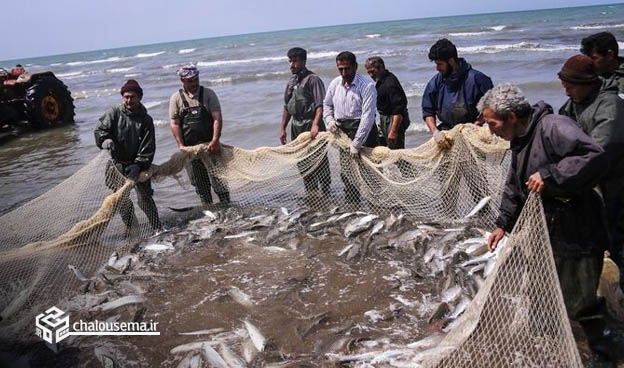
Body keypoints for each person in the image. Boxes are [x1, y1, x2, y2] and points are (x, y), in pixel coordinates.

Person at [482, 84, 613, 359]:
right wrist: (502, 224)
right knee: (544, 290)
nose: (490, 131)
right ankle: (554, 346)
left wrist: (551, 173)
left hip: (579, 225)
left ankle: (603, 355)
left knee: (581, 299)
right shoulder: (519, 138)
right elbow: (513, 186)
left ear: (512, 117)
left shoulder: (554, 126)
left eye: (493, 123)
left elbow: (594, 154)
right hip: (549, 226)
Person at [558, 54, 624, 289]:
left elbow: (600, 149)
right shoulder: (574, 102)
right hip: (589, 187)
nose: (566, 93)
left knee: (616, 241)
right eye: (563, 87)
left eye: (570, 87)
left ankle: (618, 299)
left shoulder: (610, 105)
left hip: (612, 187)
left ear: (587, 83)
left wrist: (561, 172)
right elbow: (559, 128)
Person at [94, 79, 161, 232]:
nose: (129, 100)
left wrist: (138, 164)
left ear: (140, 97)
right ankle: (132, 228)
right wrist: (105, 140)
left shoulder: (146, 119)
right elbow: (100, 130)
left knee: (145, 198)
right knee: (121, 201)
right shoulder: (114, 113)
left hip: (139, 165)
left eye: (132, 97)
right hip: (117, 165)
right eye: (126, 97)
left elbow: (148, 145)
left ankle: (157, 227)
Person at [169, 65, 230, 205]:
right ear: (182, 80)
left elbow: (217, 118)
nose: (194, 83)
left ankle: (228, 207)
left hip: (211, 147)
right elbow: (174, 123)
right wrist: (181, 145)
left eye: (196, 79)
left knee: (220, 183)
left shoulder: (208, 94)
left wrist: (215, 140)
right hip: (190, 152)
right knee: (201, 186)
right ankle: (210, 212)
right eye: (190, 81)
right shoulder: (176, 98)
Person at [324, 51, 378, 204]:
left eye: (347, 68)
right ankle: (353, 206)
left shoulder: (367, 85)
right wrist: (329, 120)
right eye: (340, 69)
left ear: (355, 66)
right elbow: (327, 104)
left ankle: (376, 206)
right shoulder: (335, 84)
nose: (344, 72)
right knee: (347, 173)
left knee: (370, 172)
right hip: (343, 133)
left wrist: (357, 143)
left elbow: (368, 117)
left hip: (365, 132)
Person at [422, 38, 493, 147]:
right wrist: (435, 132)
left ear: (451, 61)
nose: (437, 68)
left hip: (472, 132)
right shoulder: (435, 83)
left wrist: (477, 124)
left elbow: (491, 106)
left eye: (440, 64)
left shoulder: (477, 79)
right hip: (446, 136)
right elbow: (428, 110)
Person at [279, 47, 331, 194]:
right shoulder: (291, 82)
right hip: (296, 126)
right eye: (290, 61)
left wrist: (315, 124)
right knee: (302, 161)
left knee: (319, 160)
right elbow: (287, 107)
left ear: (304, 61)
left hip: (312, 124)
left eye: (295, 61)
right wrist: (283, 128)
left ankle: (326, 192)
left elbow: (320, 105)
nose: (292, 65)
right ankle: (311, 192)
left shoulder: (313, 80)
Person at [364, 56, 410, 149]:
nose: (371, 75)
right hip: (385, 119)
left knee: (396, 153)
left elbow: (399, 109)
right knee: (382, 148)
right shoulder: (381, 80)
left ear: (381, 68)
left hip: (393, 120)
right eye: (368, 72)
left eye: (373, 71)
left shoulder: (390, 83)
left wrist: (393, 131)